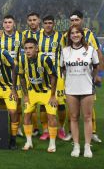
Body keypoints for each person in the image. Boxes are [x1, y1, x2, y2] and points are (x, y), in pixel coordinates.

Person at [63, 10, 103, 143]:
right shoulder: (65, 36)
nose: (74, 23)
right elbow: (63, 59)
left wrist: (98, 75)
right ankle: (70, 132)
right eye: (72, 21)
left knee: (89, 110)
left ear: (82, 20)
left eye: (77, 20)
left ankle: (92, 133)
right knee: (72, 110)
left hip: (86, 78)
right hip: (72, 79)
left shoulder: (90, 34)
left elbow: (98, 54)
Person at [13, 38, 58, 153]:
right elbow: (22, 78)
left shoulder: (44, 59)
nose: (28, 51)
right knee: (26, 115)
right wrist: (26, 95)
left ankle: (52, 144)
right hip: (32, 92)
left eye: (31, 48)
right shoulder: (22, 60)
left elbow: (53, 77)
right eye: (26, 48)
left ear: (36, 49)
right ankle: (29, 142)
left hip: (47, 92)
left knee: (51, 117)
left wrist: (53, 95)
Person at [60, 26, 99, 158]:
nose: (75, 35)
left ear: (82, 35)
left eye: (77, 32)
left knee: (87, 117)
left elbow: (95, 67)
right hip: (71, 89)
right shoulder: (65, 51)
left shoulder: (90, 50)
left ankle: (87, 147)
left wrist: (90, 80)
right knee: (74, 117)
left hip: (87, 88)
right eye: (72, 33)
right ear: (69, 36)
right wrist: (70, 79)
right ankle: (76, 146)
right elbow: (62, 69)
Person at [36, 15, 66, 140]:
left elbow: (65, 53)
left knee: (60, 103)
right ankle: (45, 130)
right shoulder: (37, 36)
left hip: (58, 74)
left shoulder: (60, 37)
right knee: (43, 103)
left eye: (50, 23)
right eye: (46, 23)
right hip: (42, 75)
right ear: (43, 24)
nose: (48, 25)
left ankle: (61, 128)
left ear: (54, 24)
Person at [0, 15, 24, 137]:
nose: (7, 24)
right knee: (2, 101)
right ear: (2, 24)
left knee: (17, 101)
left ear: (14, 24)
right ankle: (2, 126)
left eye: (10, 22)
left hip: (16, 73)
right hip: (2, 74)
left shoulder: (21, 37)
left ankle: (18, 127)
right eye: (5, 22)